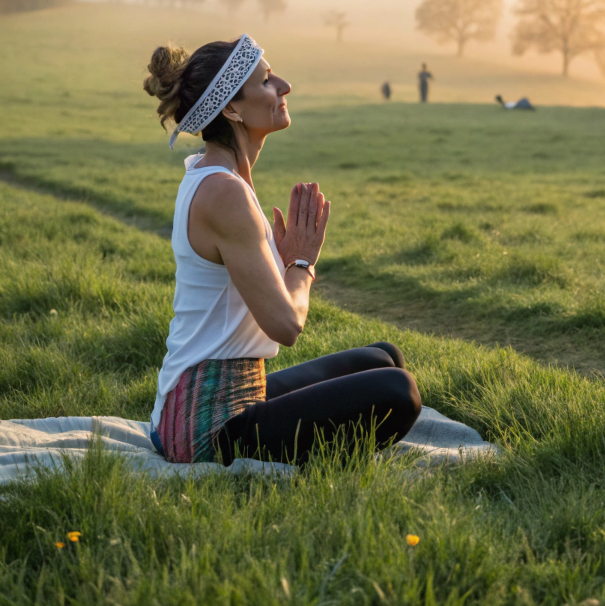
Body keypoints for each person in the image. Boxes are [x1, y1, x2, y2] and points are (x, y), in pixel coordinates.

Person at [143, 34, 421, 466]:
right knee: (396, 392)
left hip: (235, 391)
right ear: (232, 109)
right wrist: (301, 264)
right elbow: (286, 326)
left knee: (382, 357)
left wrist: (286, 261)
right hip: (203, 427)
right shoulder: (223, 192)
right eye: (268, 81)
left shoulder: (215, 174)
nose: (285, 86)